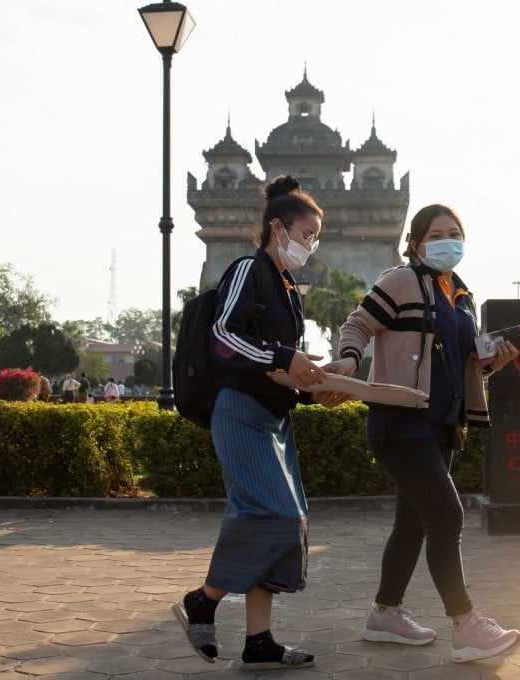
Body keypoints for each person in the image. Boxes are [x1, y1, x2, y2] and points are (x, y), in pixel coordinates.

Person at [323, 203, 520, 663]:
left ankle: (384, 615)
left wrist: (490, 364)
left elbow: (458, 363)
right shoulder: (399, 281)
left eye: (456, 232)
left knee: (412, 523)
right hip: (399, 422)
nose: (449, 240)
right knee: (447, 517)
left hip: (440, 426)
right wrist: (350, 363)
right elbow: (357, 323)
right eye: (437, 234)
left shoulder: (462, 295)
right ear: (415, 244)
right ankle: (465, 624)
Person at [173, 175, 343, 670]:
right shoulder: (250, 269)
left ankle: (258, 640)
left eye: (315, 238)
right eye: (305, 234)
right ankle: (202, 600)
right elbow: (225, 337)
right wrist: (288, 357)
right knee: (276, 517)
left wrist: (317, 386)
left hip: (273, 416)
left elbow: (278, 363)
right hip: (241, 410)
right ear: (277, 226)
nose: (309, 245)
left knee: (273, 521)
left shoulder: (289, 287)